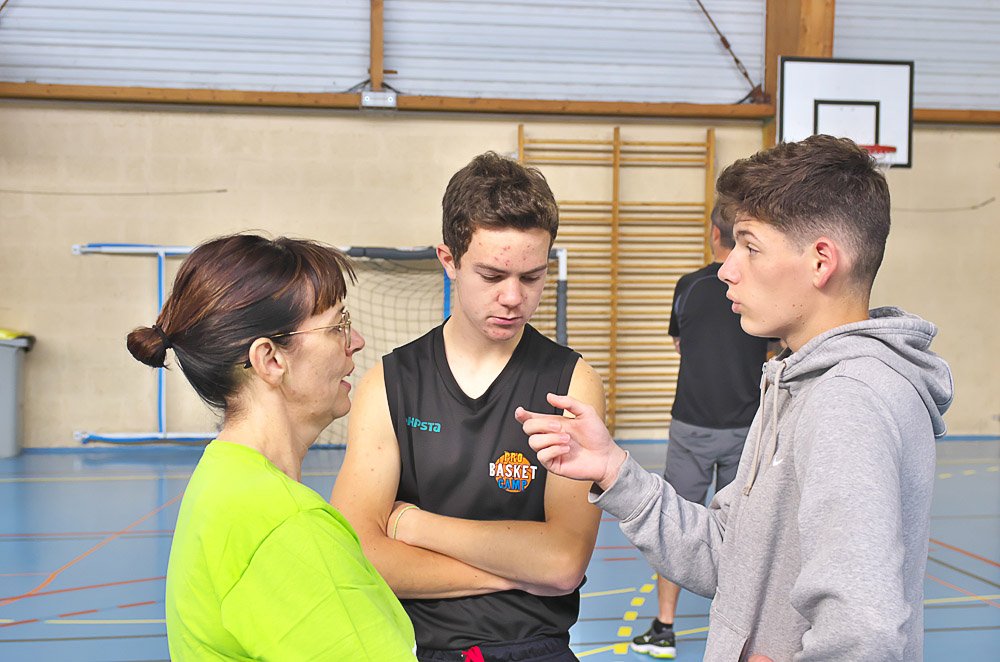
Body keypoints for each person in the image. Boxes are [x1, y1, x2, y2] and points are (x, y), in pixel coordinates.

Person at [517, 135, 954, 661]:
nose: (727, 267)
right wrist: (614, 470)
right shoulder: (797, 382)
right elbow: (733, 555)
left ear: (821, 262)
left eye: (750, 246)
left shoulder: (847, 402)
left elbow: (863, 633)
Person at [332, 152, 605, 662]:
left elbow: (564, 562)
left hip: (534, 648)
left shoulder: (571, 385)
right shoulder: (388, 385)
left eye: (531, 277)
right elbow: (360, 555)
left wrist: (415, 526)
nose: (513, 297)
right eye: (492, 275)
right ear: (448, 260)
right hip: (416, 648)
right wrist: (520, 571)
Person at [126, 234, 416, 660]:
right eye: (337, 326)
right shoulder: (288, 525)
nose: (355, 341)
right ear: (271, 360)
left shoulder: (222, 478)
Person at [631, 201, 773, 659]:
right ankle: (742, 636)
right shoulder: (759, 289)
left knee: (674, 525)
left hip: (692, 425)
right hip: (746, 428)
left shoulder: (689, 286)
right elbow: (773, 348)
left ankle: (664, 627)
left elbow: (680, 342)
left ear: (714, 233)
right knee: (744, 533)